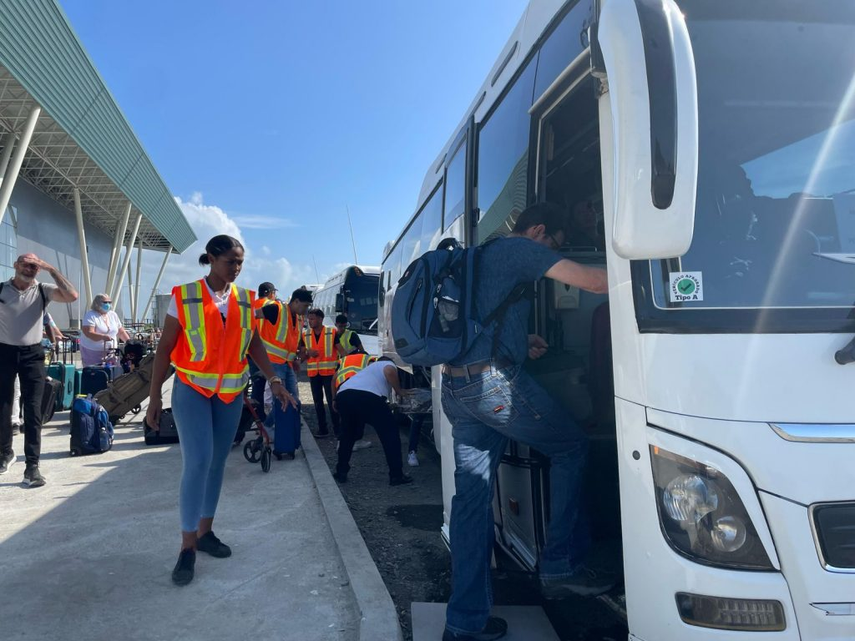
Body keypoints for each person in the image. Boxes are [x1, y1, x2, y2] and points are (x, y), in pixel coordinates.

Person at [440, 203, 612, 641]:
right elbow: (595, 281)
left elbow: (482, 319)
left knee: (471, 500)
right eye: (553, 244)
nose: (551, 253)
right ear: (538, 230)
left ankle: (463, 623)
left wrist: (522, 340)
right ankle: (560, 565)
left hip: (457, 389)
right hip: (493, 389)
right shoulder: (522, 249)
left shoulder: (481, 253)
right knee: (571, 446)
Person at [146, 235, 296, 587]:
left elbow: (253, 341)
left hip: (229, 394)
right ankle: (187, 547)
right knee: (197, 462)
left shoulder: (246, 300)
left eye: (241, 261)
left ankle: (205, 532)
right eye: (231, 261)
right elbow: (165, 348)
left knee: (216, 463)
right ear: (212, 258)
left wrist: (274, 378)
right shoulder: (183, 297)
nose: (237, 267)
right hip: (193, 390)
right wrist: (154, 398)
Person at [0, 253, 78, 486]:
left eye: (35, 266)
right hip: (4, 352)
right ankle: (5, 453)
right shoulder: (2, 290)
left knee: (33, 410)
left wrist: (51, 268)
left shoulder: (43, 290)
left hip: (32, 354)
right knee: (3, 406)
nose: (30, 269)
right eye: (26, 264)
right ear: (15, 265)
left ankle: (32, 466)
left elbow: (72, 295)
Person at [331, 356, 412, 486]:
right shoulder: (387, 364)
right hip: (369, 398)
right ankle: (396, 475)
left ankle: (341, 472)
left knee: (347, 436)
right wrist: (399, 391)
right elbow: (389, 371)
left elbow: (334, 379)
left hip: (344, 396)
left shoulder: (366, 371)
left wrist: (334, 400)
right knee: (390, 435)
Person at [250, 287, 311, 421]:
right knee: (280, 401)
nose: (306, 309)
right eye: (305, 305)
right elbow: (251, 316)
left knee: (293, 399)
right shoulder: (276, 309)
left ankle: (286, 428)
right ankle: (270, 428)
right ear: (296, 301)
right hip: (273, 363)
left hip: (287, 364)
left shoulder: (298, 318)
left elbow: (294, 340)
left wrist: (295, 359)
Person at [303, 308, 344, 438]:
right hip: (314, 374)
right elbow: (301, 354)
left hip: (329, 373)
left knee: (333, 400)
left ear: (320, 319)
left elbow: (341, 351)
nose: (310, 321)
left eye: (312, 318)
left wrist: (345, 367)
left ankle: (338, 429)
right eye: (309, 319)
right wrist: (307, 353)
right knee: (317, 402)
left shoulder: (331, 332)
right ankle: (323, 429)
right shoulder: (305, 335)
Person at [80, 293, 130, 366]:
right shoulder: (90, 315)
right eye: (105, 302)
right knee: (95, 373)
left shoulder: (113, 315)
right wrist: (102, 337)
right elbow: (88, 333)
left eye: (109, 302)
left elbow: (121, 331)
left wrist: (129, 342)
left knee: (114, 372)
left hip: (111, 352)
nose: (108, 304)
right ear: (97, 303)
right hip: (93, 352)